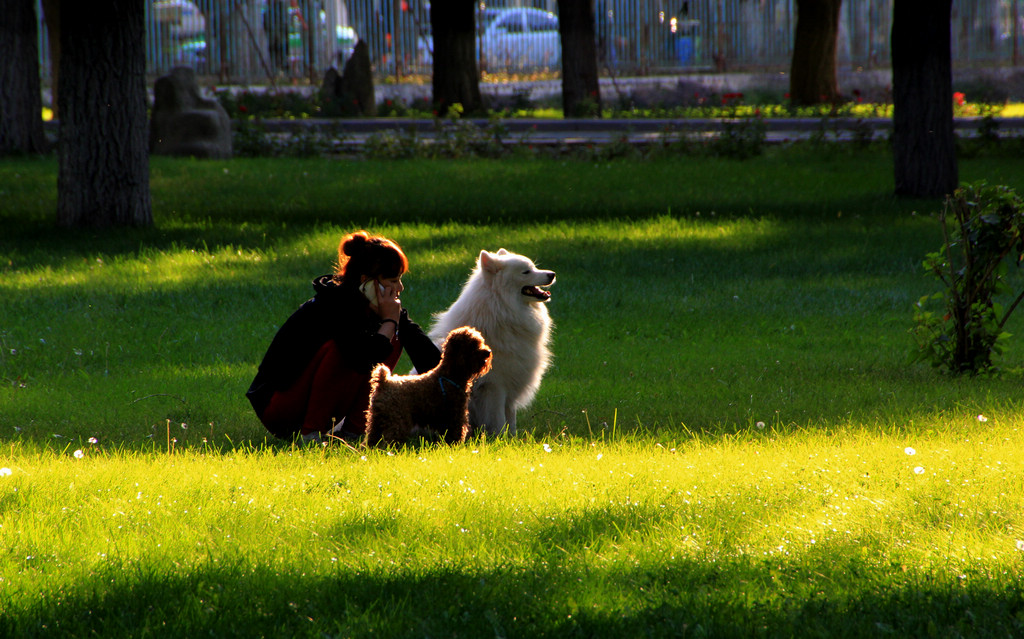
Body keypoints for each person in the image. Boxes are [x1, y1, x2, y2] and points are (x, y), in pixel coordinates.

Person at [246, 231, 441, 443]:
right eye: (393, 280)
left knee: (392, 339)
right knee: (348, 350)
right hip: (277, 406)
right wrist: (389, 323)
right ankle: (312, 435)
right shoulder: (335, 303)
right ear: (367, 282)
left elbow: (430, 361)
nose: (400, 288)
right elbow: (361, 359)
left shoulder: (382, 309)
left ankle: (353, 434)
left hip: (308, 402)